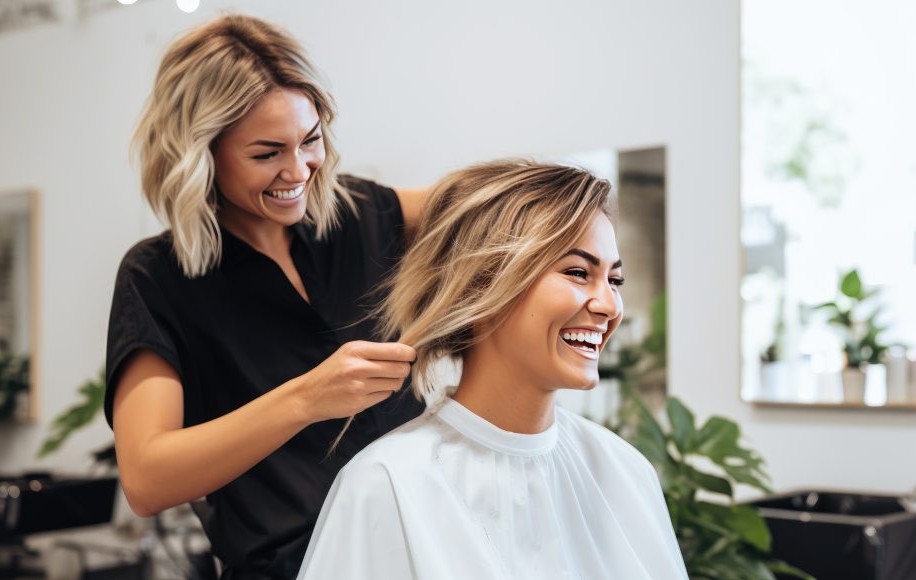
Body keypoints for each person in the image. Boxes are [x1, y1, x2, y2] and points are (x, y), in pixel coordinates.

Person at [104, 14, 427, 579]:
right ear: (201, 155)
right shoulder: (156, 280)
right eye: (266, 153)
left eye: (310, 140)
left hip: (423, 552)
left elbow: (484, 205)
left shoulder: (361, 214)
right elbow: (147, 479)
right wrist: (307, 398)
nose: (298, 169)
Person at [297, 160, 689, 579]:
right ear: (482, 285)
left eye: (615, 280)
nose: (609, 306)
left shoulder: (626, 474)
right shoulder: (386, 484)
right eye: (578, 273)